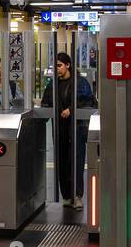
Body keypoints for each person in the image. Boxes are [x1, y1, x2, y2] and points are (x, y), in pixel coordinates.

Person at [40, 52, 96, 209]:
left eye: (59, 66)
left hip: (77, 128)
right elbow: (46, 103)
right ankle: (66, 195)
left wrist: (71, 109)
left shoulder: (80, 82)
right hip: (60, 128)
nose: (56, 69)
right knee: (62, 161)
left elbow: (88, 101)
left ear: (68, 65)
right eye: (54, 67)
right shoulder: (52, 85)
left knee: (76, 160)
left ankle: (77, 195)